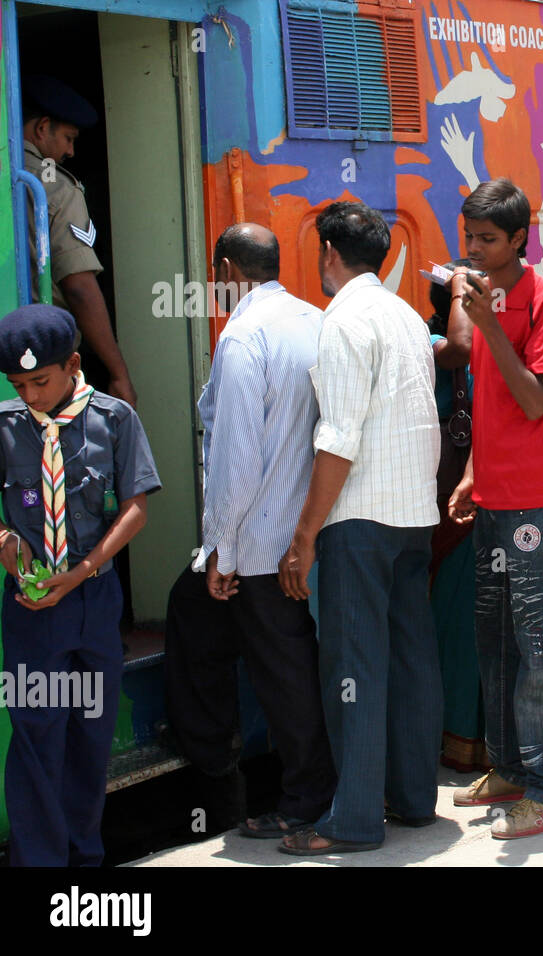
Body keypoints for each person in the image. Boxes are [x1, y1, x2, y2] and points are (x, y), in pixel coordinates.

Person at [277, 201, 442, 854]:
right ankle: (413, 799)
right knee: (411, 660)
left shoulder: (341, 321)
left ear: (327, 254)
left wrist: (305, 533)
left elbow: (338, 437)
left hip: (360, 519)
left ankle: (351, 821)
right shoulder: (403, 315)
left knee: (353, 666)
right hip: (413, 517)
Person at [163, 224, 336, 841]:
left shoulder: (241, 339)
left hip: (262, 543)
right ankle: (235, 765)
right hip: (309, 529)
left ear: (230, 269)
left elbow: (236, 461)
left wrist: (221, 553)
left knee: (283, 673)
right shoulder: (312, 320)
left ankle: (304, 799)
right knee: (273, 653)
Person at [0, 303, 159, 865]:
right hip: (32, 607)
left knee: (91, 738)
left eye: (41, 381)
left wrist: (83, 572)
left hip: (93, 599)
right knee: (37, 737)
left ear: (71, 364)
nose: (32, 396)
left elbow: (136, 507)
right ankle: (36, 861)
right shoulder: (5, 427)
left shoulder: (113, 420)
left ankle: (82, 858)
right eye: (19, 385)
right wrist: (6, 545)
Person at [444, 179, 543, 839]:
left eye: (487, 239)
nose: (472, 248)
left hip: (531, 505)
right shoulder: (484, 293)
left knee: (538, 648)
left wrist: (490, 321)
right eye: (469, 235)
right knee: (495, 643)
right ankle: (509, 769)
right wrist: (472, 472)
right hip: (494, 496)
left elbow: (533, 403)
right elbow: (491, 397)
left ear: (519, 239)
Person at [20, 75, 136, 406]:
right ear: (43, 128)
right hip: (42, 358)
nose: (71, 151)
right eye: (69, 138)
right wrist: (118, 373)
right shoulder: (56, 187)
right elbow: (78, 287)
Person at [423, 265, 484, 773]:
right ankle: (453, 735)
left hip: (470, 499)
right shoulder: (435, 342)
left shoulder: (496, 346)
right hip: (447, 505)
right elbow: (459, 349)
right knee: (450, 619)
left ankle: (466, 736)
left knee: (464, 624)